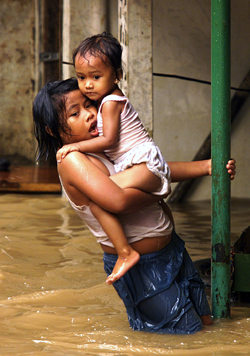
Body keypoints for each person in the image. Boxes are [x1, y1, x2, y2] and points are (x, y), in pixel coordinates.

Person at [33, 78, 236, 334]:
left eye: (89, 105)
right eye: (75, 113)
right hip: (142, 266)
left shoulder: (102, 144)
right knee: (185, 337)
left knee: (206, 325)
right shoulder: (72, 159)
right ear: (52, 129)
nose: (89, 115)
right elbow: (117, 201)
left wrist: (207, 167)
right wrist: (162, 190)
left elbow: (152, 169)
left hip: (171, 249)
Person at [56, 32, 172, 284]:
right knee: (99, 197)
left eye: (96, 77)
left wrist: (75, 147)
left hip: (145, 163)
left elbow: (108, 140)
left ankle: (125, 251)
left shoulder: (109, 104)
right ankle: (125, 250)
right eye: (81, 77)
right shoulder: (109, 100)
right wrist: (206, 167)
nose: (88, 85)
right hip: (145, 163)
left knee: (99, 199)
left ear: (117, 75)